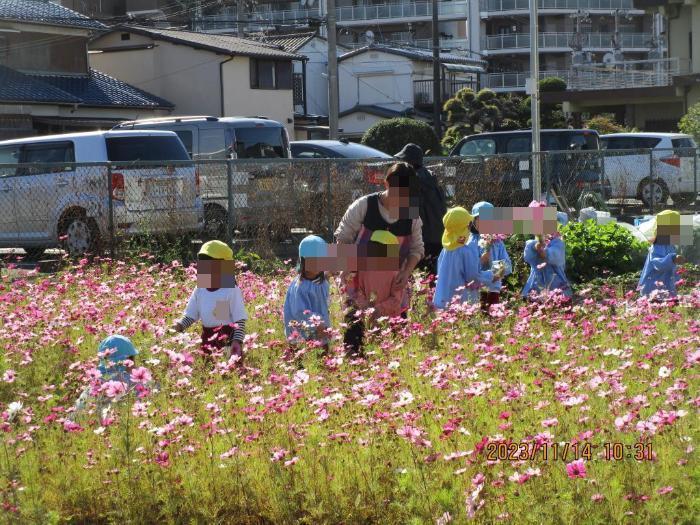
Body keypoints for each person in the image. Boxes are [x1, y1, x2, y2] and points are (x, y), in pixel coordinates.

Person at [335, 162, 425, 355]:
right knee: (355, 336)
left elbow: (417, 249)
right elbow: (343, 237)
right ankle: (355, 368)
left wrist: (406, 272)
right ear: (386, 184)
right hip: (359, 283)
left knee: (397, 342)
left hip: (393, 286)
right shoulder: (365, 206)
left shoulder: (410, 214)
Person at [173, 240, 248, 361]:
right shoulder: (200, 289)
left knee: (227, 372)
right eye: (203, 264)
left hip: (227, 340)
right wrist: (179, 326)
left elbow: (240, 320)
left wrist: (237, 341)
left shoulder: (230, 289)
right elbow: (191, 315)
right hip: (207, 339)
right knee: (209, 371)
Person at [343, 230, 405, 355]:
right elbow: (357, 290)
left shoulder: (395, 273)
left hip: (388, 317)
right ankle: (353, 355)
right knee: (358, 334)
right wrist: (364, 305)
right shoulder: (364, 269)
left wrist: (378, 309)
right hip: (366, 313)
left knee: (388, 349)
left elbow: (396, 299)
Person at [433, 207, 502, 309]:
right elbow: (473, 277)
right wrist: (494, 274)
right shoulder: (466, 251)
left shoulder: (446, 249)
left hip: (442, 300)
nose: (470, 229)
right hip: (461, 302)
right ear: (464, 228)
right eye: (469, 225)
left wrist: (479, 261)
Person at [395, 143, 447, 278]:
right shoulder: (431, 177)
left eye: (403, 160)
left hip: (422, 237)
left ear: (409, 162)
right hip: (439, 235)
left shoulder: (411, 181)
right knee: (434, 276)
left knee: (419, 278)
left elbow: (408, 215)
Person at [72, 335, 146, 419]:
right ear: (129, 359)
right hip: (115, 420)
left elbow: (80, 407)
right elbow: (143, 401)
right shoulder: (131, 379)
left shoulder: (97, 380)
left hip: (86, 419)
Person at [283, 235, 331, 355]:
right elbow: (300, 311)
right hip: (302, 332)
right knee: (304, 360)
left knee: (323, 358)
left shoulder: (321, 281)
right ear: (304, 261)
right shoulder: (300, 286)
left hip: (320, 329)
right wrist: (318, 324)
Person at [469, 201, 512, 311]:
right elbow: (468, 266)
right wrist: (482, 260)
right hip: (475, 288)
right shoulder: (471, 242)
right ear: (474, 221)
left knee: (493, 315)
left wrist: (494, 276)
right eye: (480, 219)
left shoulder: (498, 242)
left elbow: (507, 264)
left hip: (494, 287)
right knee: (477, 313)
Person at [522, 206, 572, 300]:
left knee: (557, 299)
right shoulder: (532, 243)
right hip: (537, 279)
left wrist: (545, 252)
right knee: (536, 301)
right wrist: (535, 247)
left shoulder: (557, 242)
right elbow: (528, 258)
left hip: (554, 278)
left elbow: (557, 258)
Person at [638, 209, 684, 299]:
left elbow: (671, 268)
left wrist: (678, 280)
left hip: (663, 286)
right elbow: (657, 263)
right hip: (653, 287)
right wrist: (673, 258)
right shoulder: (658, 244)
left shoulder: (669, 244)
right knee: (657, 310)